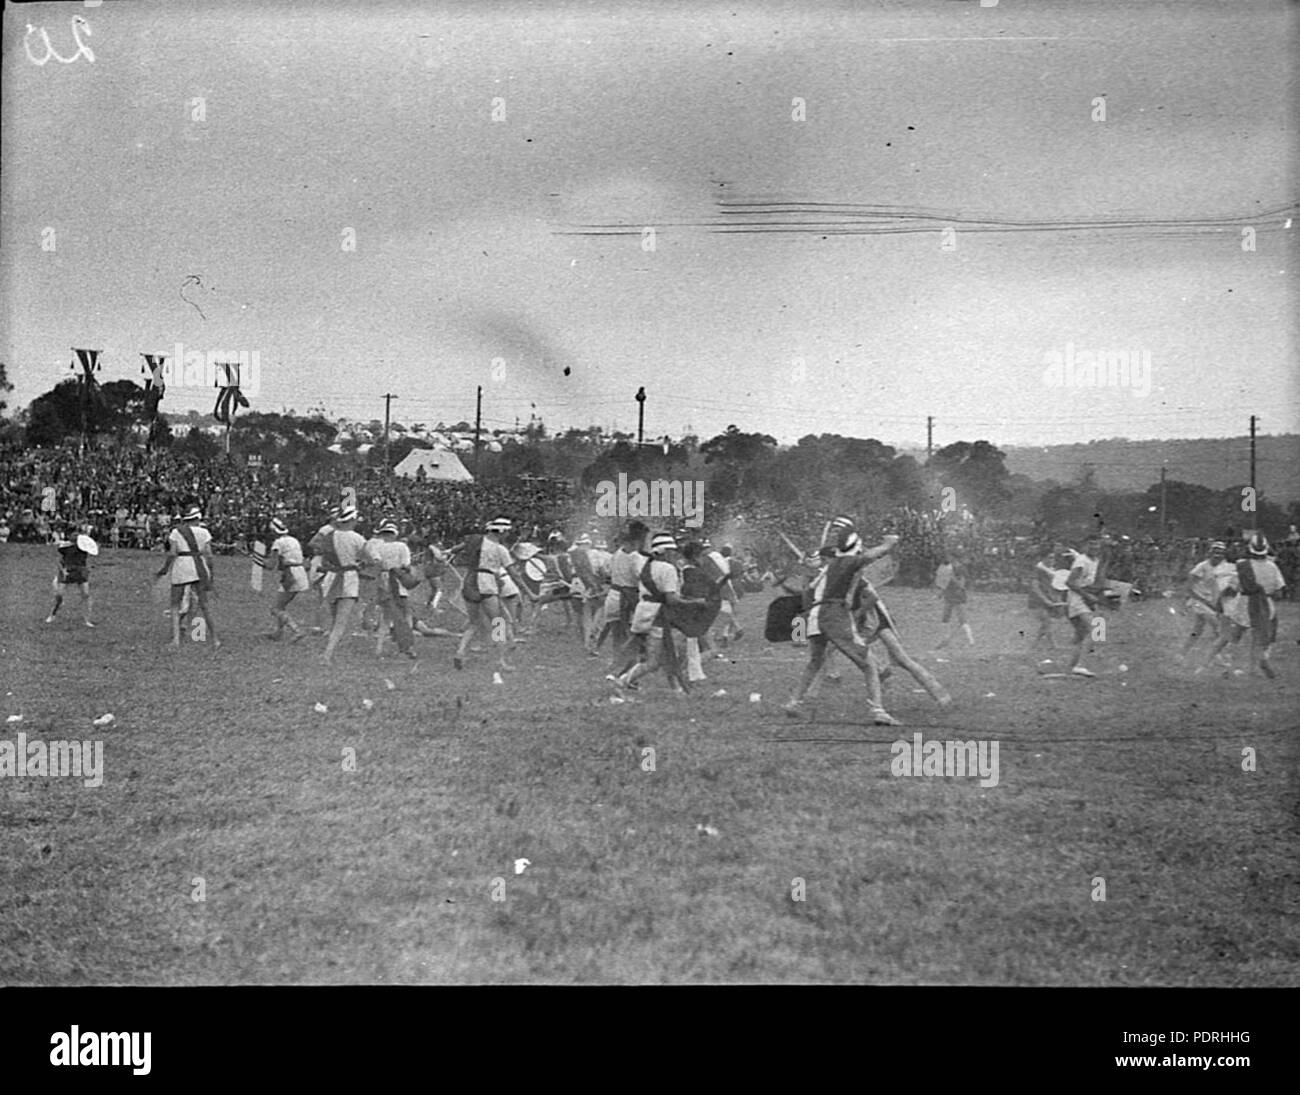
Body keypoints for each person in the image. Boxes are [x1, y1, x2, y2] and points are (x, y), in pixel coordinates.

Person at [783, 529, 902, 724]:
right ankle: (878, 711)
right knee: (869, 665)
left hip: (815, 615)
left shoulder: (826, 571)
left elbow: (807, 594)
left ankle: (794, 702)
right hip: (834, 615)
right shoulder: (845, 562)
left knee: (815, 662)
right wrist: (888, 544)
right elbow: (867, 557)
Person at [614, 533, 707, 693]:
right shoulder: (668, 569)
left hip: (644, 614)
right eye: (671, 551)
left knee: (664, 655)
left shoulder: (648, 566)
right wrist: (695, 602)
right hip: (659, 616)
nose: (675, 554)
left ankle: (675, 687)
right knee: (657, 660)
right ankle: (622, 681)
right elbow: (671, 599)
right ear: (664, 552)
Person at [454, 516, 536, 671]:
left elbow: (458, 548)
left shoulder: (475, 541)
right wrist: (529, 592)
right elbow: (514, 574)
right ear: (502, 532)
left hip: (469, 582)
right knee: (499, 622)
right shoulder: (500, 549)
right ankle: (500, 660)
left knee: (473, 622)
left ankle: (460, 651)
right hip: (487, 584)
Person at [1207, 534, 1286, 678]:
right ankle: (1253, 669)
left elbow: (1233, 588)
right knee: (1257, 638)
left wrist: (1220, 601)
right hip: (1265, 606)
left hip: (1245, 604)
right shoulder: (1272, 566)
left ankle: (1210, 661)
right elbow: (1279, 592)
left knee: (1230, 636)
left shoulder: (1242, 565)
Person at [310, 504, 367, 665]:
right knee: (340, 622)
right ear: (352, 520)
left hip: (331, 577)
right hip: (348, 579)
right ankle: (327, 655)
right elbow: (368, 557)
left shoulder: (329, 535)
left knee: (335, 619)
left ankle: (330, 652)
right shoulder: (357, 538)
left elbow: (318, 550)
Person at [158, 506, 219, 650]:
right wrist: (211, 575)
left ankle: (176, 640)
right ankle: (215, 639)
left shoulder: (176, 532)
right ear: (197, 519)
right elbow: (209, 555)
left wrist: (165, 569)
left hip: (182, 566)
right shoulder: (204, 532)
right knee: (205, 605)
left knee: (175, 604)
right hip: (199, 566)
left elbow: (172, 553)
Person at [366, 518, 418, 663]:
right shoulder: (402, 546)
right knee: (407, 614)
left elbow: (376, 562)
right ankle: (408, 646)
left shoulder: (378, 547)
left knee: (386, 617)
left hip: (384, 581)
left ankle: (379, 648)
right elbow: (406, 565)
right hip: (398, 581)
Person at [253, 517, 308, 642]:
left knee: (275, 608)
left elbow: (271, 565)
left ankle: (297, 630)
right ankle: (278, 633)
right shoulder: (294, 540)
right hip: (299, 573)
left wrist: (258, 560)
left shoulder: (278, 543)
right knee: (281, 605)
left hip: (291, 575)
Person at [1179, 541, 1228, 660]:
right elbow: (1189, 586)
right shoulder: (1202, 566)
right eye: (1215, 552)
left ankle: (1183, 653)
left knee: (1198, 629)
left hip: (1211, 602)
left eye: (1221, 553)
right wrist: (1199, 600)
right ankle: (1218, 656)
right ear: (1210, 553)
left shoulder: (1224, 567)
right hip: (1198, 601)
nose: (1218, 555)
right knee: (1217, 627)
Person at [1064, 533, 1103, 677]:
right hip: (1077, 600)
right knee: (1098, 629)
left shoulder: (1096, 560)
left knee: (1082, 634)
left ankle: (1072, 665)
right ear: (1085, 545)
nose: (1094, 547)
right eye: (1091, 544)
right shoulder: (1081, 561)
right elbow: (1069, 582)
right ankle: (1080, 665)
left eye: (1097, 544)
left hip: (1085, 599)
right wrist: (1088, 596)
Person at [45, 522, 96, 628]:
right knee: (59, 595)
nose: (76, 536)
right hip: (68, 571)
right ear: (69, 536)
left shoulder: (84, 546)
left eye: (77, 534)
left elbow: (92, 551)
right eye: (74, 534)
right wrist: (62, 571)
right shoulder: (65, 547)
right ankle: (53, 614)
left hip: (81, 571)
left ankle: (87, 620)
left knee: (86, 594)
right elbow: (60, 561)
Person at [935, 550, 974, 649]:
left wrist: (952, 578)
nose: (947, 559)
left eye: (949, 556)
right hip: (949, 595)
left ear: (954, 558)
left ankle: (970, 640)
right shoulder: (949, 568)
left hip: (958, 596)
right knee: (945, 618)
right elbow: (945, 583)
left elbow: (961, 585)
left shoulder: (961, 569)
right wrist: (941, 592)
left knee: (961, 618)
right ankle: (945, 639)